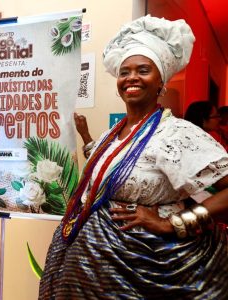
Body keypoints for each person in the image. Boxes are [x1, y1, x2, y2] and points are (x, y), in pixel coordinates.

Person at [39, 15, 228, 299]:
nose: (131, 78)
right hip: (87, 266)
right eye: (125, 72)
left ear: (160, 80)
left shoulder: (176, 134)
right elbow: (109, 171)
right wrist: (87, 137)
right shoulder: (111, 134)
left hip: (145, 268)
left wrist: (173, 222)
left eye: (143, 70)